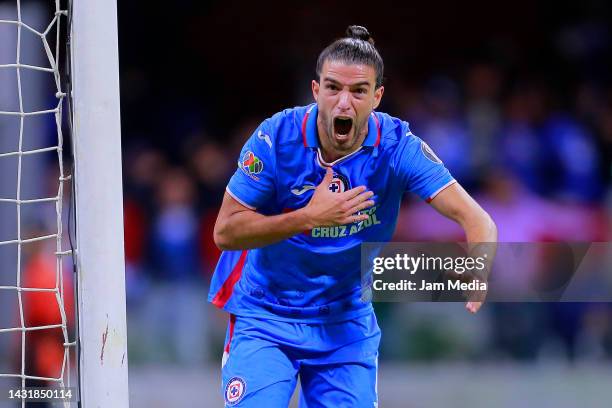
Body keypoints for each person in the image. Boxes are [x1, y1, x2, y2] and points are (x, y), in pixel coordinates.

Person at [209, 25, 497, 407]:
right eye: (333, 88)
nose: (344, 102)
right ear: (316, 91)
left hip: (344, 322)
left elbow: (477, 219)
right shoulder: (275, 137)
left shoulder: (398, 147)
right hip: (267, 315)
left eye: (358, 91)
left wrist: (478, 266)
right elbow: (225, 232)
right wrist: (307, 217)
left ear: (377, 97)